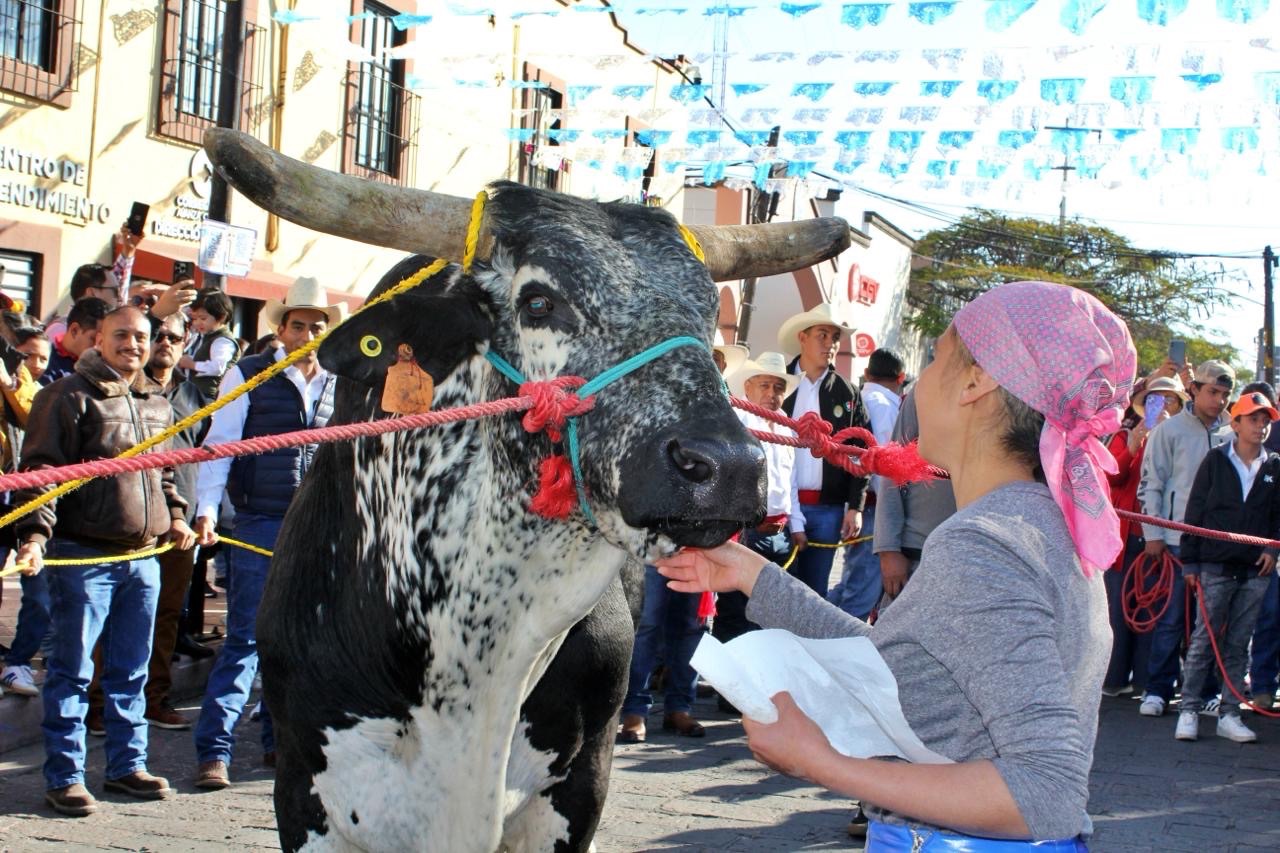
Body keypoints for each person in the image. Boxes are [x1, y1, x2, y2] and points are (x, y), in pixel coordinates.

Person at [658, 281, 1134, 848]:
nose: (918, 382)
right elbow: (901, 661)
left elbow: (1045, 794)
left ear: (976, 383)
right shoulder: (1039, 524)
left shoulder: (985, 543)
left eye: (935, 358)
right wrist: (750, 572)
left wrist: (820, 763)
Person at [6, 306, 194, 817]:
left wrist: (176, 516)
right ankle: (65, 776)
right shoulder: (65, 396)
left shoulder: (158, 403)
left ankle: (127, 767)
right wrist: (33, 536)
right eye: (122, 335)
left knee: (131, 670)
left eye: (141, 336)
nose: (133, 344)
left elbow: (165, 473)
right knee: (72, 671)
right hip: (82, 556)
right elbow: (40, 473)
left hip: (144, 558)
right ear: (96, 339)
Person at [191, 277, 341, 789]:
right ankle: (215, 750)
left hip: (316, 525)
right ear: (282, 329)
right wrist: (206, 510)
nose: (308, 335)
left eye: (317, 327)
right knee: (245, 640)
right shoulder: (248, 373)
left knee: (301, 641)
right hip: (259, 521)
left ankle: (281, 743)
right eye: (299, 326)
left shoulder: (336, 380)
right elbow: (220, 445)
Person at [1174, 391, 1280, 743]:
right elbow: (1195, 511)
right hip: (1214, 565)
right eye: (1253, 419)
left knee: (1238, 643)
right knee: (1204, 640)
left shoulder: (1274, 465)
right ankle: (1189, 709)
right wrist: (1190, 562)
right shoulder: (1215, 460)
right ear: (1235, 423)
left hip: (1255, 570)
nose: (1261, 426)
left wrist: (1273, 548)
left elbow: (1277, 515)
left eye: (1265, 420)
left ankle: (1230, 713)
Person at [1135, 359, 1235, 718]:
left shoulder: (1232, 433)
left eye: (1225, 394)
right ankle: (1157, 690)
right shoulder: (1169, 431)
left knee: (1211, 623)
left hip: (1217, 545)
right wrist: (1153, 534)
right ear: (1194, 390)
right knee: (1171, 619)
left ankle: (1206, 691)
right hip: (1175, 539)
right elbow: (1151, 484)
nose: (1219, 400)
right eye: (1213, 392)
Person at [1101, 376, 1188, 697]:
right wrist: (1133, 446)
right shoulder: (1124, 435)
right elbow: (1110, 477)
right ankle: (1113, 678)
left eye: (1169, 400)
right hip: (1125, 539)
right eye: (1155, 400)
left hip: (1164, 537)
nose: (1161, 406)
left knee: (1153, 611)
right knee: (1118, 610)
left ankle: (1145, 681)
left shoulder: (1182, 440)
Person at [778, 303, 872, 597]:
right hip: (779, 507)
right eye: (822, 335)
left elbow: (862, 451)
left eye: (835, 337)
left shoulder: (848, 393)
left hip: (827, 510)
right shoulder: (777, 384)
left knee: (814, 594)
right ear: (802, 338)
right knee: (773, 590)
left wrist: (855, 506)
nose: (830, 343)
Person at [714, 352, 798, 645]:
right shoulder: (736, 421)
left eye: (778, 387)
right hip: (747, 532)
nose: (772, 394)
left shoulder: (787, 425)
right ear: (747, 387)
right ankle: (727, 671)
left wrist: (797, 526)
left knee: (770, 614)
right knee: (735, 611)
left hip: (780, 534)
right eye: (764, 385)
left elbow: (791, 481)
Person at [829, 348, 905, 620]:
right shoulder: (886, 408)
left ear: (866, 373)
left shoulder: (856, 398)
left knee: (852, 583)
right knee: (861, 592)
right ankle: (840, 642)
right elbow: (883, 467)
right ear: (901, 377)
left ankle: (823, 632)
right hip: (874, 507)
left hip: (853, 502)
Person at [871, 389, 956, 609]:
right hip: (916, 554)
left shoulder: (1018, 392)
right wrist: (888, 549)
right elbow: (893, 470)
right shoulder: (927, 389)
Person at [1239, 382, 1280, 709]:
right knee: (1261, 616)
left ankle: (1265, 684)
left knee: (1271, 614)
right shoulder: (1271, 434)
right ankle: (1256, 683)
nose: (1260, 425)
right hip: (1249, 545)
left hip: (1269, 546)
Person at [179, 288, 240, 401]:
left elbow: (218, 367)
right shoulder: (203, 336)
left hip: (210, 398)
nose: (197, 323)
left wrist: (192, 364)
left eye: (203, 318)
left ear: (221, 317)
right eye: (194, 318)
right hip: (194, 395)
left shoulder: (223, 341)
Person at [42, 298, 110, 384]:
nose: (100, 348)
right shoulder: (45, 362)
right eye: (94, 339)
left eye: (104, 341)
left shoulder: (104, 364)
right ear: (74, 330)